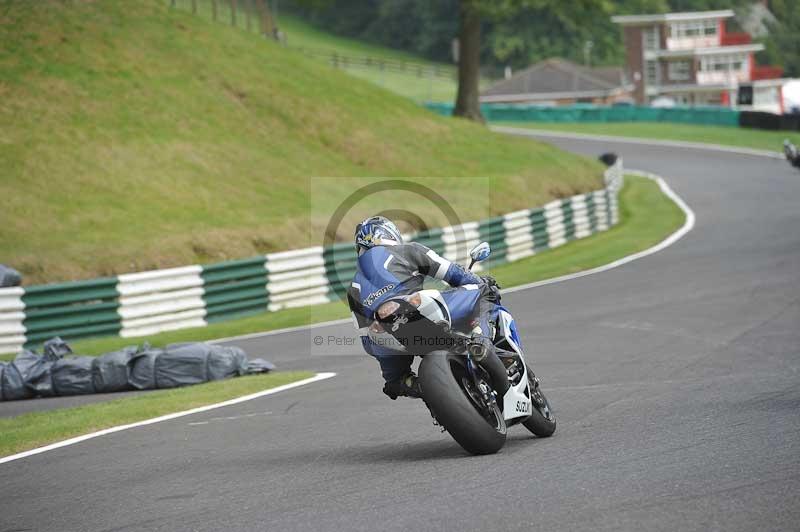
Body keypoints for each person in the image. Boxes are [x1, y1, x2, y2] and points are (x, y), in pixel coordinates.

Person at [346, 216, 501, 400]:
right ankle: (481, 341)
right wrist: (478, 280)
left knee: (397, 381)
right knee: (483, 290)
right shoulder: (405, 250)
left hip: (384, 332)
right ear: (388, 233)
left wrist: (392, 377)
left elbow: (367, 341)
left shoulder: (353, 289)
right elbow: (451, 271)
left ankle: (418, 387)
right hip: (417, 305)